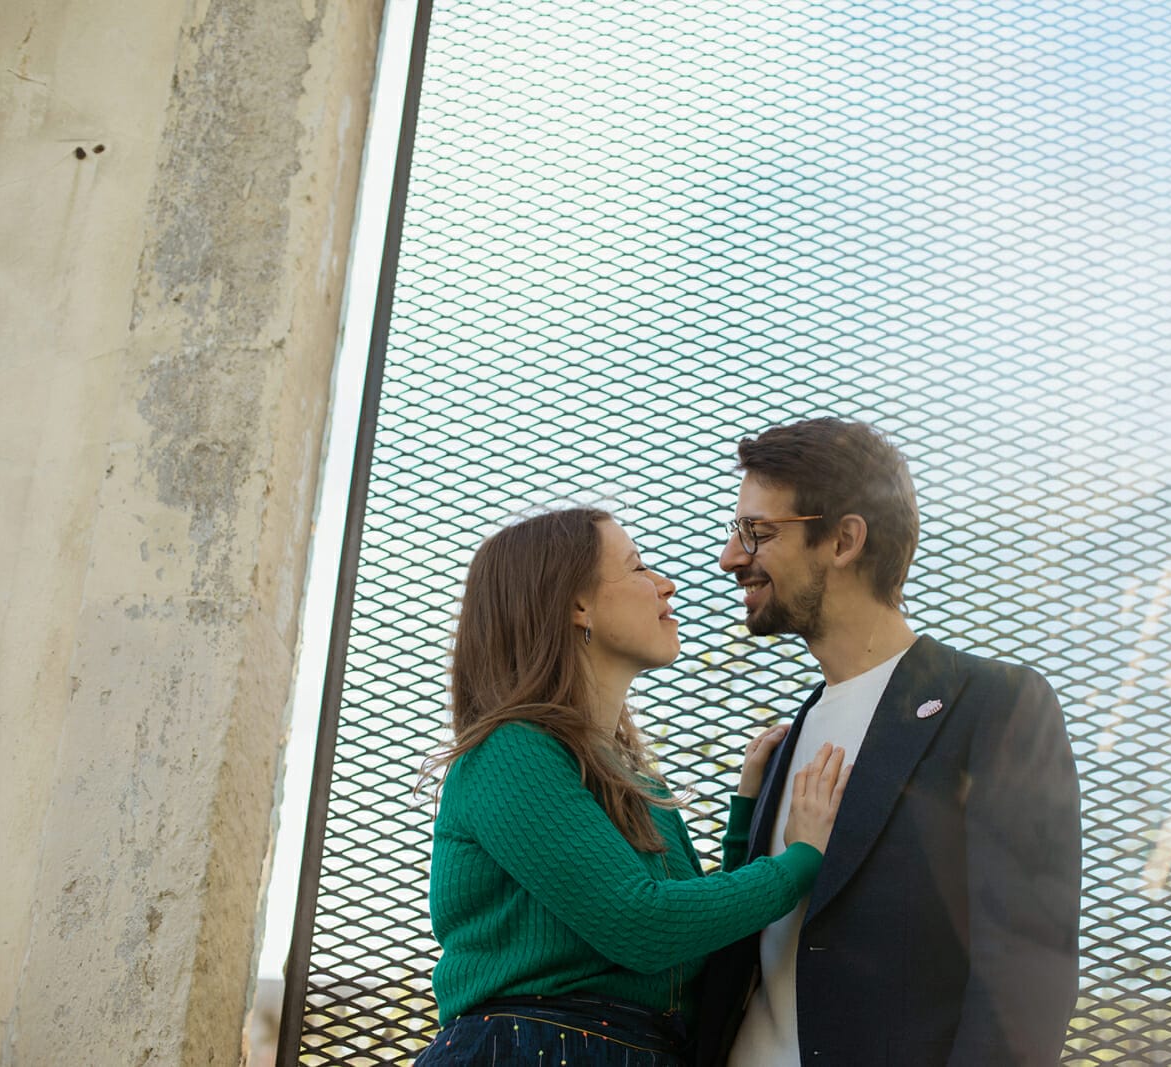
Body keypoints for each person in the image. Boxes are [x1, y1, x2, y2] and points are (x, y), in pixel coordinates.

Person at [696, 418, 1082, 1066]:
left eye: (757, 533)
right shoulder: (784, 744)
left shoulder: (995, 706)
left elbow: (1023, 981)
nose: (731, 558)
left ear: (844, 539)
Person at [414, 507, 850, 1067]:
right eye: (639, 567)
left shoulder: (626, 772)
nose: (666, 584)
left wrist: (750, 814)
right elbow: (644, 926)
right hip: (530, 1048)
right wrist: (802, 860)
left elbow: (691, 939)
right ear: (577, 605)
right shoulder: (511, 751)